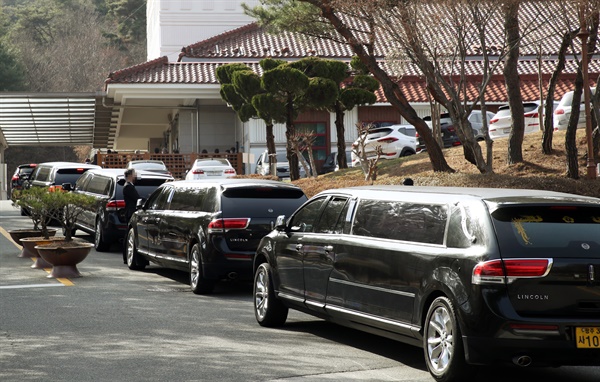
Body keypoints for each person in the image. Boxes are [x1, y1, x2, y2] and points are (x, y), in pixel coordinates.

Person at [122, 168, 140, 263]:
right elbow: (137, 198)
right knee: (128, 235)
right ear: (129, 175)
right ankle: (126, 257)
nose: (135, 175)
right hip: (130, 212)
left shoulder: (130, 186)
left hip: (131, 212)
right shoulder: (128, 187)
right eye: (134, 173)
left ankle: (126, 257)